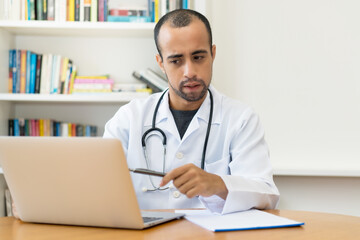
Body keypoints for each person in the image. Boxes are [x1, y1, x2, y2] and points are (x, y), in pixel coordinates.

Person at [103, 9, 279, 214]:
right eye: (176, 60)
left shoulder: (240, 119)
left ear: (212, 54)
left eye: (198, 57)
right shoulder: (129, 118)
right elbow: (100, 186)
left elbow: (267, 194)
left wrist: (217, 184)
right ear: (160, 63)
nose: (190, 72)